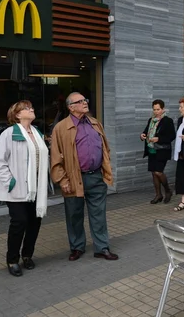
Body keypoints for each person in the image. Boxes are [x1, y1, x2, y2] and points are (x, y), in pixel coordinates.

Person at [50, 93, 118, 262]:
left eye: (85, 100)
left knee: (99, 215)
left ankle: (102, 248)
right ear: (70, 107)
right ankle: (77, 247)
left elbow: (105, 148)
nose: (85, 103)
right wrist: (62, 180)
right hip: (73, 179)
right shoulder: (61, 128)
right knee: (74, 215)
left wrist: (105, 169)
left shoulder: (95, 123)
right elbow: (56, 157)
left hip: (95, 177)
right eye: (79, 101)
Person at [0, 100, 50, 277]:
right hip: (16, 189)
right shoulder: (9, 134)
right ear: (17, 115)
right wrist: (10, 182)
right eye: (26, 108)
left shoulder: (37, 133)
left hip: (36, 188)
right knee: (20, 222)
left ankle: (27, 255)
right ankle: (12, 259)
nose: (31, 109)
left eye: (31, 107)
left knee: (34, 222)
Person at [141, 99, 175, 204]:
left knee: (158, 172)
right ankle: (158, 195)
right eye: (154, 109)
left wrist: (158, 139)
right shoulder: (151, 120)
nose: (156, 111)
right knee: (153, 173)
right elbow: (146, 131)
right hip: (151, 149)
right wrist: (143, 135)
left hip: (162, 150)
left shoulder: (167, 121)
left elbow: (172, 136)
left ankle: (168, 190)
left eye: (158, 109)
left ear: (163, 109)